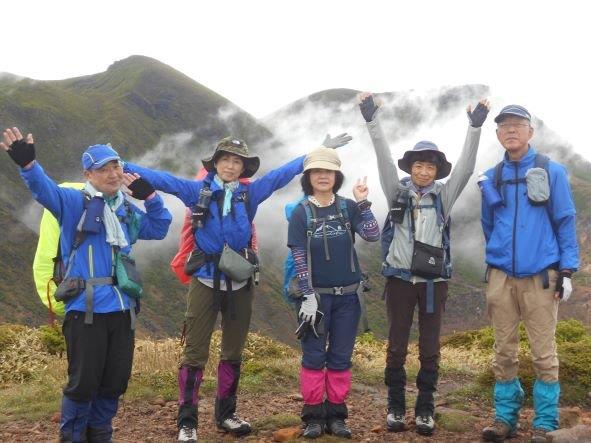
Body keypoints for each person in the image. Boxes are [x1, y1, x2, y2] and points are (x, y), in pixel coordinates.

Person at [123, 134, 351, 442]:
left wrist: (315, 153)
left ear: (243, 168)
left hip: (240, 283)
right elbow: (163, 180)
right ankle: (187, 421)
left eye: (236, 162)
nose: (230, 166)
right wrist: (122, 164)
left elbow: (279, 176)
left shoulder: (249, 194)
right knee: (195, 353)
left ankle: (226, 415)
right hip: (205, 280)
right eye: (225, 160)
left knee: (233, 351)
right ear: (215, 163)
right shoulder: (197, 191)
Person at [0, 127, 172, 443]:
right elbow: (45, 191)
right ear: (88, 175)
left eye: (116, 166)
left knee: (115, 382)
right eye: (103, 169)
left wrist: (150, 197)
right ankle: (73, 437)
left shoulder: (125, 209)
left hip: (123, 309)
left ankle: (100, 434)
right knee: (82, 384)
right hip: (85, 310)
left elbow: (159, 228)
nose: (112, 173)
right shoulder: (73, 202)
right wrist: (28, 165)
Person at [357, 93, 490, 436]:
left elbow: (465, 168)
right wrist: (372, 120)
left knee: (430, 348)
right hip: (400, 281)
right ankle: (396, 407)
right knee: (396, 347)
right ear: (411, 168)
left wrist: (475, 127)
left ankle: (425, 409)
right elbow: (384, 159)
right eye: (418, 165)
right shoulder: (396, 192)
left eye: (429, 166)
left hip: (433, 284)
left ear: (436, 171)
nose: (423, 170)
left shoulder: (443, 197)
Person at [479, 105, 579, 443]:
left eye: (518, 125)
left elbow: (565, 220)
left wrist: (567, 270)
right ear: (498, 134)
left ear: (530, 132)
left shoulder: (552, 171)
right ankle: (504, 418)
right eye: (505, 126)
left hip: (541, 276)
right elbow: (488, 224)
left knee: (543, 352)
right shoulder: (492, 176)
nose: (511, 130)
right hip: (501, 275)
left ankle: (545, 421)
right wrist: (498, 257)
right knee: (503, 350)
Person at [287, 147, 380, 439]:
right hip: (316, 299)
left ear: (336, 176)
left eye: (328, 171)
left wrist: (363, 203)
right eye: (317, 171)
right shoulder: (301, 212)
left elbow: (372, 234)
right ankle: (313, 417)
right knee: (314, 357)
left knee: (340, 357)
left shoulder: (347, 207)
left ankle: (337, 416)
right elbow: (299, 257)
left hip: (348, 297)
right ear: (308, 177)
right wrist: (307, 296)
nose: (323, 176)